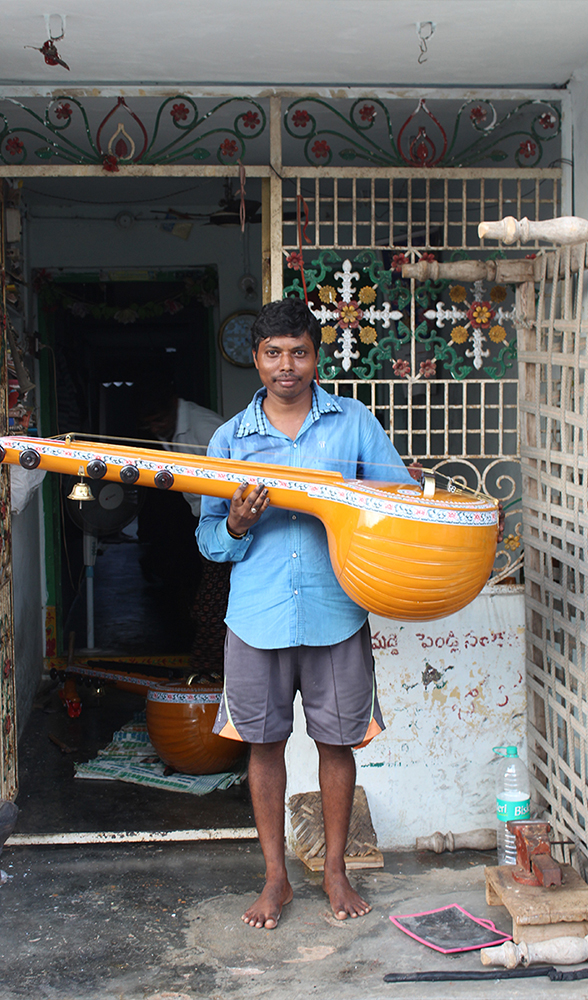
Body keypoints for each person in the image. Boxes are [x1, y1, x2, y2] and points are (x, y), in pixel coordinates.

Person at [196, 298, 418, 930]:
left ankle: (335, 870)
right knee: (264, 748)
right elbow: (209, 541)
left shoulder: (354, 424)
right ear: (256, 360)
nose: (286, 365)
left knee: (337, 744)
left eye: (299, 352)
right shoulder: (229, 440)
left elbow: (400, 501)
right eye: (274, 353)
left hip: (336, 611)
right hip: (257, 617)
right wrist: (237, 523)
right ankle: (276, 879)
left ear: (316, 357)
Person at [137, 378, 228, 664]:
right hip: (200, 519)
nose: (155, 429)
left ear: (174, 405)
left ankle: (212, 669)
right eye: (149, 425)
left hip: (225, 525)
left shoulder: (206, 428)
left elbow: (235, 479)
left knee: (212, 604)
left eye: (159, 420)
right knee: (206, 599)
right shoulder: (168, 430)